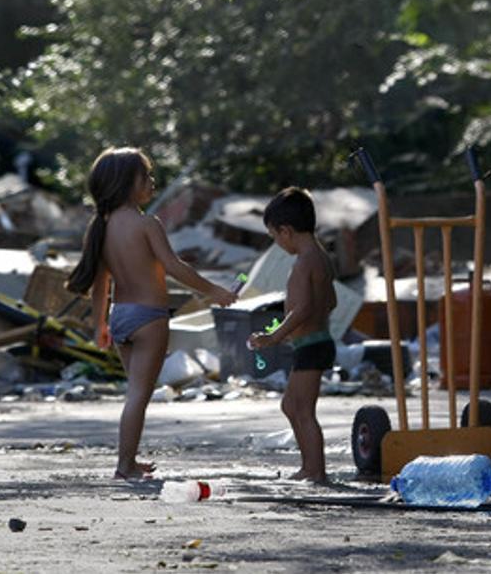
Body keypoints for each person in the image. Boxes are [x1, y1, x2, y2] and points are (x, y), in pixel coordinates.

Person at [66, 147, 237, 480]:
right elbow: (174, 266)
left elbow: (101, 284)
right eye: (146, 176)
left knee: (135, 392)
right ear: (127, 183)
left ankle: (129, 459)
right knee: (138, 396)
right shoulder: (146, 224)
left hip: (121, 316)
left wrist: (99, 324)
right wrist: (213, 290)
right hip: (149, 317)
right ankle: (124, 465)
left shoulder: (101, 227)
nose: (152, 182)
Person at [249, 187, 337, 483]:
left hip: (312, 345)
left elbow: (301, 309)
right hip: (313, 341)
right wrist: (294, 330)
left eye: (274, 237)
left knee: (302, 409)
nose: (277, 243)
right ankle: (309, 467)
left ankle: (315, 470)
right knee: (292, 405)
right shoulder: (321, 257)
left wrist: (274, 336)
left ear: (285, 231)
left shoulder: (303, 262)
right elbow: (330, 302)